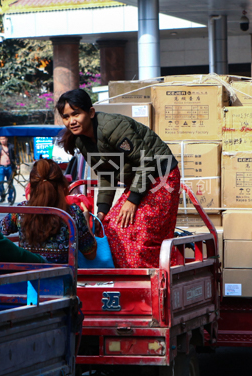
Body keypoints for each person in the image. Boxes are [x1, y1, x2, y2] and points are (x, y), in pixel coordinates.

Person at [57, 88, 180, 268]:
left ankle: (149, 280)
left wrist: (132, 200)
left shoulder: (111, 127)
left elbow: (147, 161)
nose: (71, 121)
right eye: (66, 117)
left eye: (76, 114)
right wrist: (102, 211)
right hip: (140, 181)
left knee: (138, 232)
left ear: (90, 112)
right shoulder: (81, 140)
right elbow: (106, 173)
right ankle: (124, 280)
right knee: (109, 226)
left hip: (161, 176)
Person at [0, 159, 96, 263]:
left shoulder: (21, 211)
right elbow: (91, 254)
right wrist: (86, 220)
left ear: (31, 186)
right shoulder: (72, 214)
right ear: (62, 186)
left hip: (28, 276)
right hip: (61, 278)